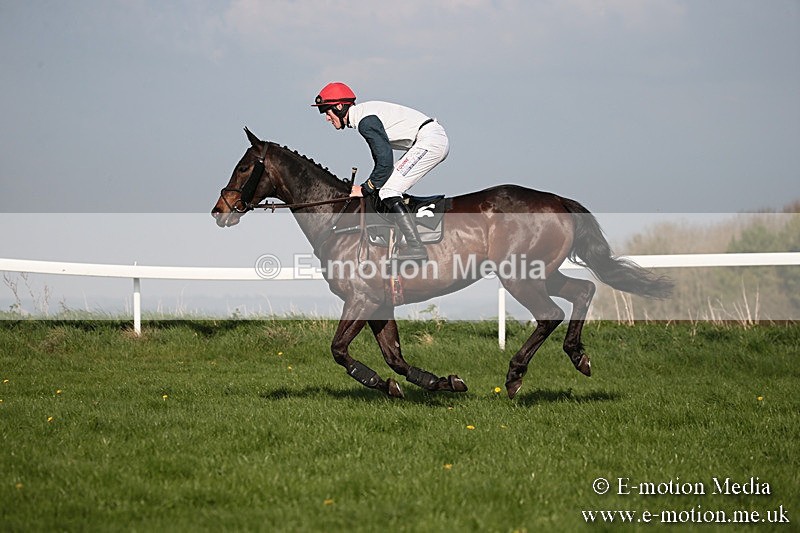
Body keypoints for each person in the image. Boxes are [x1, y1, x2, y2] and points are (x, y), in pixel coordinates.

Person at [312, 82, 449, 261]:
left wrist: (364, 189)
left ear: (339, 107)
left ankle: (416, 248)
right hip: (428, 139)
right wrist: (371, 185)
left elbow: (385, 164)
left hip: (430, 141)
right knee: (386, 188)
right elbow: (381, 162)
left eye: (326, 112)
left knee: (388, 191)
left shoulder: (365, 122)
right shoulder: (363, 116)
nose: (327, 118)